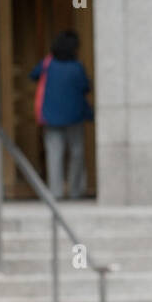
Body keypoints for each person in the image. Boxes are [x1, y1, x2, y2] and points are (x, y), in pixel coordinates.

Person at [29, 30, 93, 200]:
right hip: (74, 117)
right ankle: (75, 190)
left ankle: (55, 192)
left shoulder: (48, 64)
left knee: (54, 154)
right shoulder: (77, 67)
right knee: (77, 153)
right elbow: (86, 87)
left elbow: (33, 75)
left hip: (51, 117)